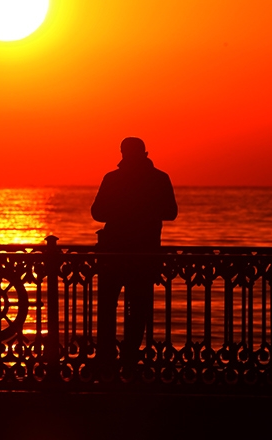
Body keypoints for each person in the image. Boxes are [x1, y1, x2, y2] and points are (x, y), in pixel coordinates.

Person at [91, 137, 178, 367]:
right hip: (143, 251)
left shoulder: (113, 179)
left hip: (118, 251)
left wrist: (122, 211)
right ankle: (126, 354)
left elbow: (98, 212)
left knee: (111, 304)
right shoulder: (159, 178)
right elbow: (170, 212)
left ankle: (109, 355)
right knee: (136, 306)